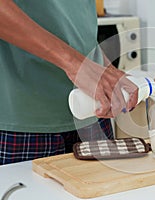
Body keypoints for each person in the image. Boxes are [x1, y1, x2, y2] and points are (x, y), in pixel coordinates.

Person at [0, 0, 138, 165]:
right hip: (23, 122)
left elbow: (73, 19)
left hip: (93, 111)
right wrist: (74, 63)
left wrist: (106, 68)